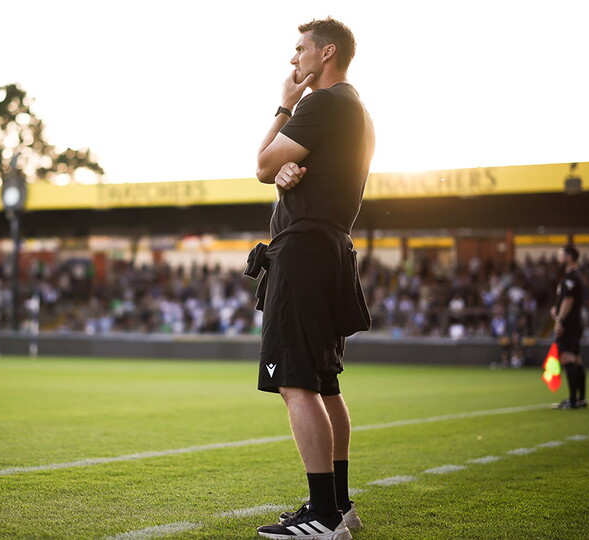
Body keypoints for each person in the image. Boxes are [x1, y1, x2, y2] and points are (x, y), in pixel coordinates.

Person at [249, 16, 374, 540]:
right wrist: (286, 170)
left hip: (303, 252)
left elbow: (260, 163)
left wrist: (284, 105)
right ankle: (338, 505)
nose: (293, 59)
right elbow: (282, 168)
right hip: (331, 248)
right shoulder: (356, 111)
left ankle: (323, 516)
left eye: (300, 49)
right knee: (324, 385)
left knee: (295, 381)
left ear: (326, 53)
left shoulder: (321, 103)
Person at [550, 245, 587, 409]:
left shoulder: (571, 277)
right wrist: (556, 310)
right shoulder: (574, 276)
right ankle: (580, 398)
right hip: (575, 323)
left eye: (561, 255)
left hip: (569, 324)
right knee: (576, 360)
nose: (558, 258)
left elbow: (568, 300)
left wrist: (559, 319)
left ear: (569, 257)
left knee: (568, 358)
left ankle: (573, 400)